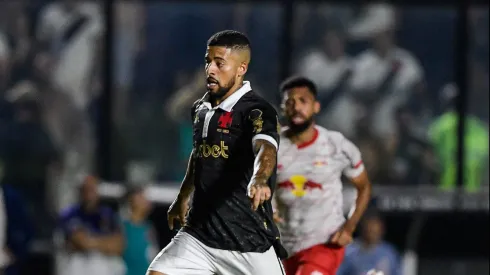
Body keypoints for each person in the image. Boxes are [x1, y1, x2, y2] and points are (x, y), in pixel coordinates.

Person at [147, 30, 287, 275]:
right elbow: (200, 155)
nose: (210, 69)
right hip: (200, 235)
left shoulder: (257, 111)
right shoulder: (201, 108)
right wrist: (182, 197)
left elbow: (266, 148)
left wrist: (260, 178)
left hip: (248, 242)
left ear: (241, 68)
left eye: (219, 63)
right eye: (207, 61)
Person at [273, 76, 372, 275]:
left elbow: (363, 187)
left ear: (316, 106)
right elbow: (258, 184)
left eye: (303, 101)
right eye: (290, 102)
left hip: (324, 243)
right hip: (284, 248)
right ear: (283, 108)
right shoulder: (271, 147)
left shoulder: (336, 145)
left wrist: (349, 227)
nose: (296, 107)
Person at [57, 175, 125, 275]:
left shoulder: (107, 214)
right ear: (80, 191)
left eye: (92, 189)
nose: (89, 193)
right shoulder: (70, 214)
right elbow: (81, 242)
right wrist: (106, 243)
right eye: (86, 189)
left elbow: (119, 245)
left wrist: (90, 241)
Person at [337, 211, 401, 275]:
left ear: (382, 230)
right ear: (363, 229)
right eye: (369, 230)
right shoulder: (350, 251)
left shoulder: (389, 252)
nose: (372, 234)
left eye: (375, 232)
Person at [121, 186, 157, 275]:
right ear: (132, 200)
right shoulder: (123, 227)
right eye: (141, 196)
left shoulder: (148, 227)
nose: (146, 200)